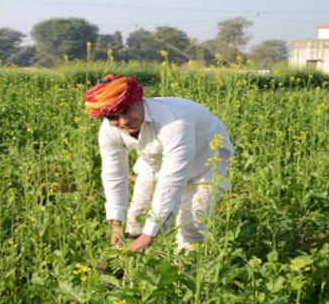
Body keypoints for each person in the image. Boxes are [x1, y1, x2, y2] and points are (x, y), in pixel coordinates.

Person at [83, 74, 233, 252]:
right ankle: (130, 268)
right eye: (113, 117)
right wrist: (116, 223)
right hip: (155, 162)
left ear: (139, 101)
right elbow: (114, 175)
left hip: (206, 164)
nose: (123, 121)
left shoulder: (175, 121)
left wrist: (149, 235)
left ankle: (186, 272)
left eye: (126, 111)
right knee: (137, 218)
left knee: (191, 227)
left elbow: (173, 178)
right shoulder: (110, 129)